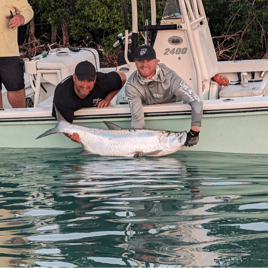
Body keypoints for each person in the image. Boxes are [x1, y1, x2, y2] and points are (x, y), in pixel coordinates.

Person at [124, 45, 203, 147]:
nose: (144, 64)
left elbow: (196, 101)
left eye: (148, 60)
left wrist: (194, 132)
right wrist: (138, 146)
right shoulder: (131, 84)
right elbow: (137, 120)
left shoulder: (170, 76)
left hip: (173, 109)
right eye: (140, 61)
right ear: (135, 63)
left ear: (156, 61)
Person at [52, 60, 126, 143]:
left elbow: (123, 77)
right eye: (82, 80)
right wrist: (70, 135)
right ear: (74, 78)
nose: (85, 85)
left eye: (89, 81)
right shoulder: (63, 95)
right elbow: (64, 126)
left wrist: (108, 99)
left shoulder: (102, 82)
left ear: (95, 79)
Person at [0, 1, 34, 109]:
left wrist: (21, 18)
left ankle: (23, 121)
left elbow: (28, 10)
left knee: (16, 92)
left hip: (9, 54)